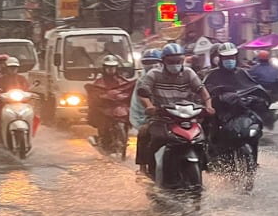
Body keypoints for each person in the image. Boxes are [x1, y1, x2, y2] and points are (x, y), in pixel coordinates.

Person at [138, 43, 214, 176]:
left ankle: (206, 163)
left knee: (203, 135)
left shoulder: (188, 73)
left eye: (179, 61)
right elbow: (143, 93)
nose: (175, 64)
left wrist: (208, 105)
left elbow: (203, 91)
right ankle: (144, 168)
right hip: (162, 118)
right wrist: (149, 106)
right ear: (163, 61)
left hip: (186, 116)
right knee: (144, 132)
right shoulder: (154, 74)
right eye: (171, 61)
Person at [86, 54, 130, 148]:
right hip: (104, 109)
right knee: (100, 118)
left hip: (118, 107)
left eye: (113, 67)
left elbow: (127, 89)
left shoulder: (122, 81)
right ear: (104, 68)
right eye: (108, 67)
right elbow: (94, 95)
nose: (111, 70)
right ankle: (101, 138)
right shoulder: (99, 82)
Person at [131, 49, 162, 168]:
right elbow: (138, 104)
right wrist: (143, 121)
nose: (152, 65)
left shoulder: (171, 76)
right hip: (152, 117)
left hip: (172, 115)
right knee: (144, 134)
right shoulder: (142, 81)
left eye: (154, 62)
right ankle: (143, 166)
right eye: (148, 62)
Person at [0, 57, 30, 133]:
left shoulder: (22, 78)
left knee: (30, 111)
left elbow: (27, 88)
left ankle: (30, 127)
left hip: (21, 101)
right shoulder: (1, 79)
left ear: (18, 68)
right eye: (11, 67)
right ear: (7, 68)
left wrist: (30, 94)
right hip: (5, 102)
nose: (13, 69)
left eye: (15, 67)